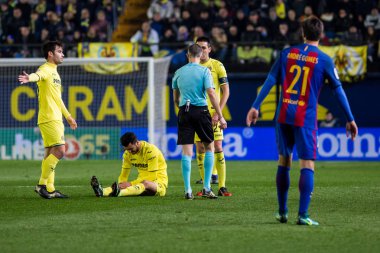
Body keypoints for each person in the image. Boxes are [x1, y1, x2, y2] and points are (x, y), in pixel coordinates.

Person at [246, 16, 358, 226]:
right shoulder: (324, 59)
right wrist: (350, 119)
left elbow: (270, 79)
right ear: (321, 35)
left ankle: (282, 212)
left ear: (303, 33)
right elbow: (338, 90)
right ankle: (303, 215)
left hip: (283, 114)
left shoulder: (287, 53)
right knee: (307, 163)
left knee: (284, 160)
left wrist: (255, 106)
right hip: (304, 117)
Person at [18, 41, 78, 199]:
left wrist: (68, 116)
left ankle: (50, 189)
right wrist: (29, 78)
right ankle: (41, 184)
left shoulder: (55, 73)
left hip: (54, 118)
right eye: (59, 51)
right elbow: (38, 76)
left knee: (49, 154)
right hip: (49, 118)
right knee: (60, 150)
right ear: (50, 54)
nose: (63, 54)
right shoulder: (45, 69)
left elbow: (58, 98)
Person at [172, 44, 227, 200]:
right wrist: (220, 115)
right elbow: (211, 93)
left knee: (187, 152)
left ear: (187, 55)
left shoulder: (178, 72)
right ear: (201, 53)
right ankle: (207, 187)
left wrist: (181, 108)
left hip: (184, 111)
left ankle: (188, 190)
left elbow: (175, 97)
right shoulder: (205, 71)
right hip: (201, 111)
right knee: (209, 147)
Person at [194, 36, 232, 197]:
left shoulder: (217, 66)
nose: (201, 51)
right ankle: (205, 186)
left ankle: (222, 186)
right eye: (198, 47)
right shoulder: (191, 67)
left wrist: (218, 112)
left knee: (217, 147)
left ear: (210, 49)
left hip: (212, 115)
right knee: (200, 148)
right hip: (197, 114)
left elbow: (226, 91)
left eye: (204, 47)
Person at [90, 132, 168, 197]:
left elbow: (152, 177)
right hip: (139, 183)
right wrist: (121, 184)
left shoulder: (151, 151)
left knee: (146, 183)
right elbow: (124, 175)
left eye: (131, 149)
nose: (129, 152)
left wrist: (130, 184)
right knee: (124, 185)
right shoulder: (127, 154)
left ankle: (119, 193)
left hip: (158, 183)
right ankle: (102, 191)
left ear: (137, 142)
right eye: (127, 149)